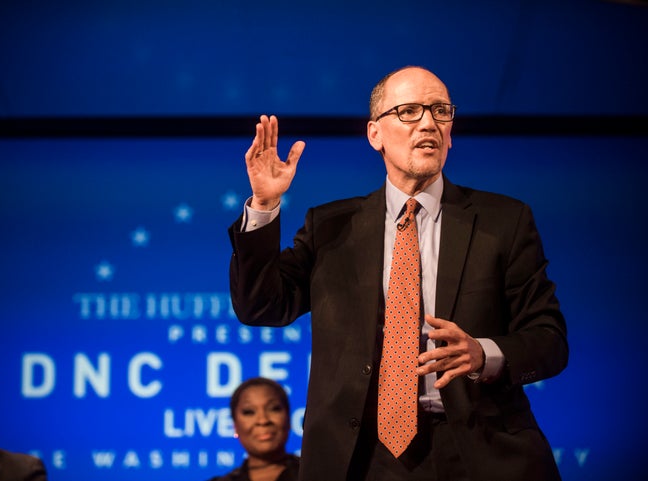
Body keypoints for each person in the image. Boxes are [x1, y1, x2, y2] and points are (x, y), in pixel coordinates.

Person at [228, 66, 568, 481]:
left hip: (477, 451)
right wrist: (263, 205)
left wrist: (484, 353)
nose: (428, 123)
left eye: (440, 111)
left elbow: (548, 339)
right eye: (409, 111)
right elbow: (261, 306)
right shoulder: (331, 226)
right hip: (360, 457)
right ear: (375, 134)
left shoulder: (504, 222)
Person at [207, 377, 299, 481]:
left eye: (274, 408)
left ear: (288, 418)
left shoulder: (316, 473)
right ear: (235, 426)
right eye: (249, 412)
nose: (263, 420)